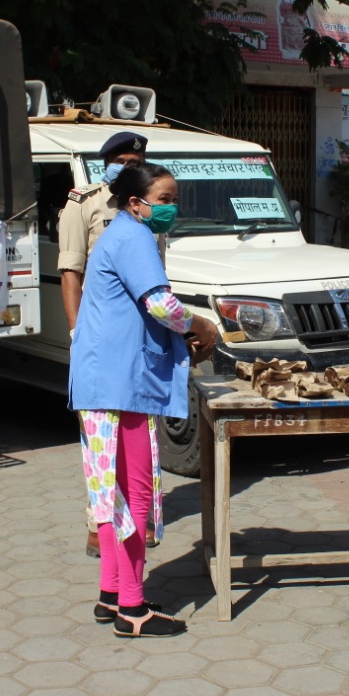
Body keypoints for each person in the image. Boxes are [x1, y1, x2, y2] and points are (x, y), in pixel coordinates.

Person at [69, 162, 219, 637]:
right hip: (121, 385)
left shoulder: (116, 233)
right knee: (133, 494)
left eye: (176, 198)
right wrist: (203, 325)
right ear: (137, 203)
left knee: (108, 493)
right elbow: (160, 303)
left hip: (101, 381)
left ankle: (111, 591)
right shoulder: (134, 237)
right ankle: (132, 609)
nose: (172, 207)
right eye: (165, 198)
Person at [58, 131, 151, 558]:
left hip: (138, 336)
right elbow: (71, 271)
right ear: (106, 163)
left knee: (138, 433)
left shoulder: (147, 205)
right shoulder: (86, 204)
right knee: (100, 435)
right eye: (122, 160)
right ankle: (99, 522)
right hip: (98, 335)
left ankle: (139, 516)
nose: (128, 167)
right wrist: (77, 333)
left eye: (136, 161)